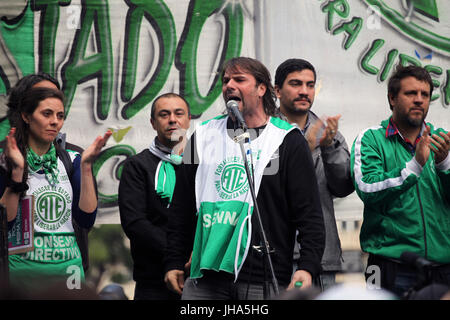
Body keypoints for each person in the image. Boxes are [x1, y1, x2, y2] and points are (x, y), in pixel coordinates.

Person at [164, 57, 325, 300]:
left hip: (262, 277)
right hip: (205, 278)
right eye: (226, 80)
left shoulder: (287, 141)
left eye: (239, 79)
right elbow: (181, 205)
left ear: (262, 89)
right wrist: (174, 260)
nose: (229, 85)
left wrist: (307, 266)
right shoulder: (204, 136)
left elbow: (309, 213)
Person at [350, 65, 450, 297]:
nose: (419, 100)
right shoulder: (371, 138)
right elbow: (368, 188)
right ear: (392, 98)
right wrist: (414, 166)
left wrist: (444, 164)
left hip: (443, 267)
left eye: (424, 95)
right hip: (390, 264)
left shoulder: (442, 140)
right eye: (411, 93)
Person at [0, 86, 111, 291]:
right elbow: (5, 223)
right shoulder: (5, 159)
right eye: (47, 114)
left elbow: (86, 219)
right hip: (22, 277)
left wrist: (86, 168)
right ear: (26, 116)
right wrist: (17, 171)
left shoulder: (73, 159)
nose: (55, 122)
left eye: (60, 116)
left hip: (69, 276)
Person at [274, 58, 354, 290]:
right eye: (296, 84)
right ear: (277, 90)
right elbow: (266, 186)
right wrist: (305, 149)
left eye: (310, 85)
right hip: (274, 254)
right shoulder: (264, 132)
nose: (304, 91)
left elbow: (343, 187)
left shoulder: (328, 133)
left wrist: (329, 148)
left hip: (321, 256)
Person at [119, 93, 191, 300]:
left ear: (188, 120)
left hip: (199, 277)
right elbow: (135, 223)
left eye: (179, 113)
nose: (172, 120)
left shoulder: (203, 163)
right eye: (164, 114)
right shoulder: (137, 166)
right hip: (153, 280)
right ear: (153, 123)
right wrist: (177, 256)